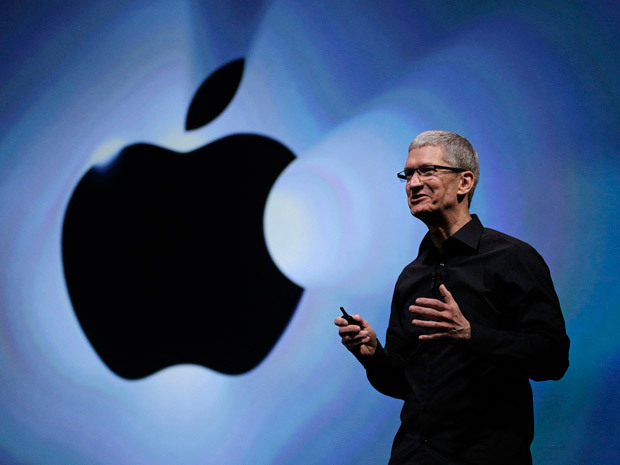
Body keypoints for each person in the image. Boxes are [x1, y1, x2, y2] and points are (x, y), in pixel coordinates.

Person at [335, 130, 569, 465]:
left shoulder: (511, 258)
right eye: (408, 175)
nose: (414, 184)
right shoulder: (411, 276)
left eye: (427, 171)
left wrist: (471, 334)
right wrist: (372, 355)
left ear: (465, 182)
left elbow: (553, 358)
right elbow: (404, 383)